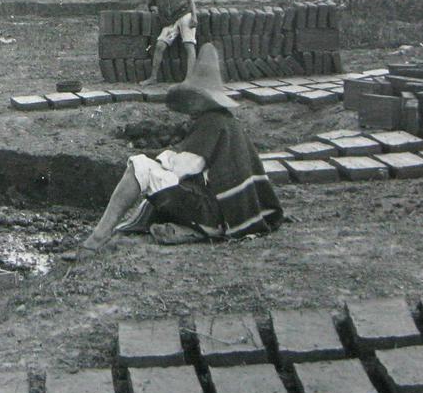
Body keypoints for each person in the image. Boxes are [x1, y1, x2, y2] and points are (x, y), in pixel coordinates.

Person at [64, 44, 283, 261]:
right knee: (155, 175)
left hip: (218, 213)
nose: (189, 107)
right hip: (230, 209)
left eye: (193, 99)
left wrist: (160, 158)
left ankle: (95, 241)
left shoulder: (211, 124)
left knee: (139, 166)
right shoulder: (225, 122)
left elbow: (183, 168)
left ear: (204, 99)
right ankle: (190, 229)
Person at [139, 0, 198, 86]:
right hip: (169, 21)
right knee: (159, 45)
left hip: (184, 15)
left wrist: (194, 17)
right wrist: (154, 8)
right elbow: (151, 4)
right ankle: (153, 77)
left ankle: (189, 79)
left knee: (189, 45)